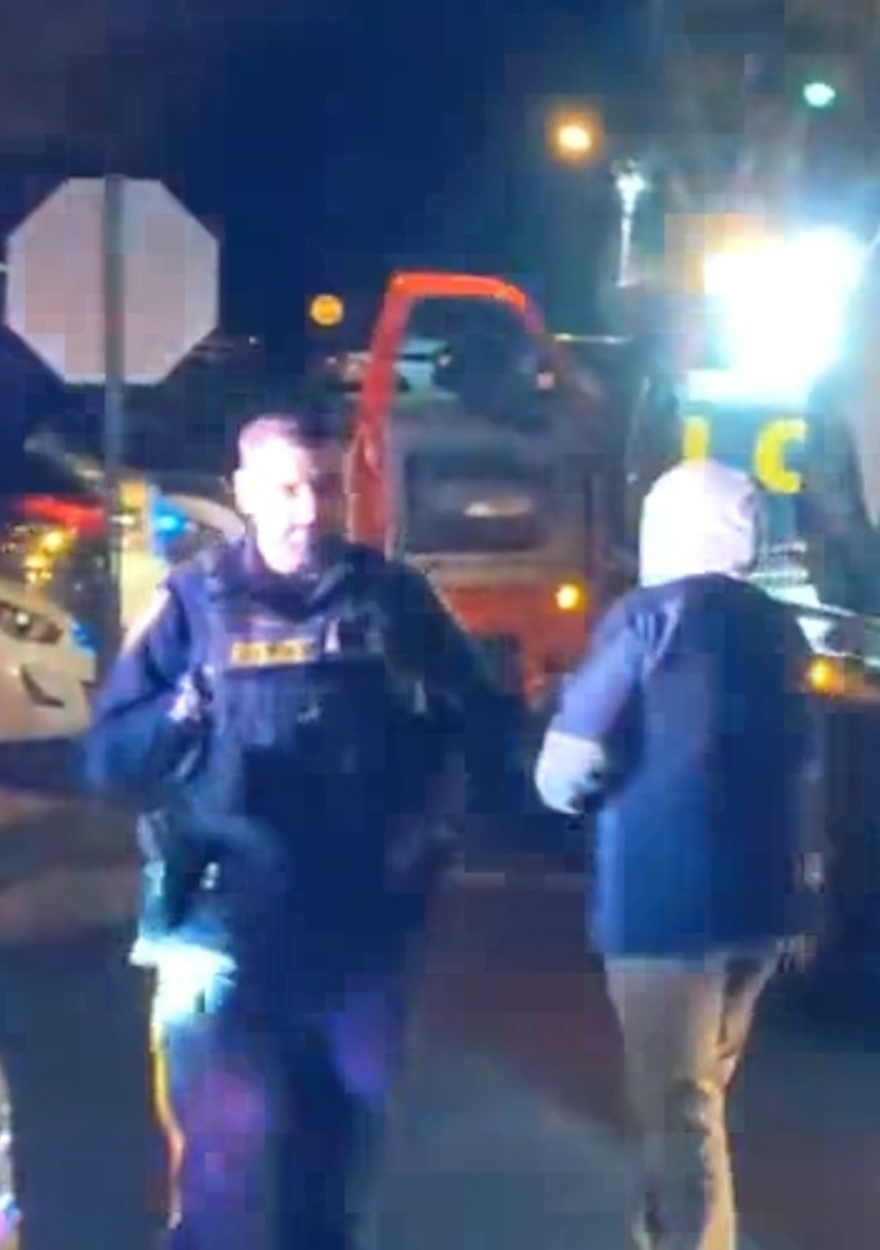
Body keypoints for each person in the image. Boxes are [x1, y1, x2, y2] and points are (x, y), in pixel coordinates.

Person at [82, 412, 512, 1249]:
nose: (309, 509)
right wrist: (179, 716)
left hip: (360, 931)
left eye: (326, 486)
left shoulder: (394, 600)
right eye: (287, 488)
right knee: (223, 1169)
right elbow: (108, 762)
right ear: (243, 493)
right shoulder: (193, 607)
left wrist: (435, 826)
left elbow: (487, 729)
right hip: (221, 928)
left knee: (333, 1161)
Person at [536, 458, 812, 1250]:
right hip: (760, 907)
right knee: (696, 1098)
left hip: (663, 909)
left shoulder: (647, 619)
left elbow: (566, 768)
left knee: (679, 1111)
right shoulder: (778, 628)